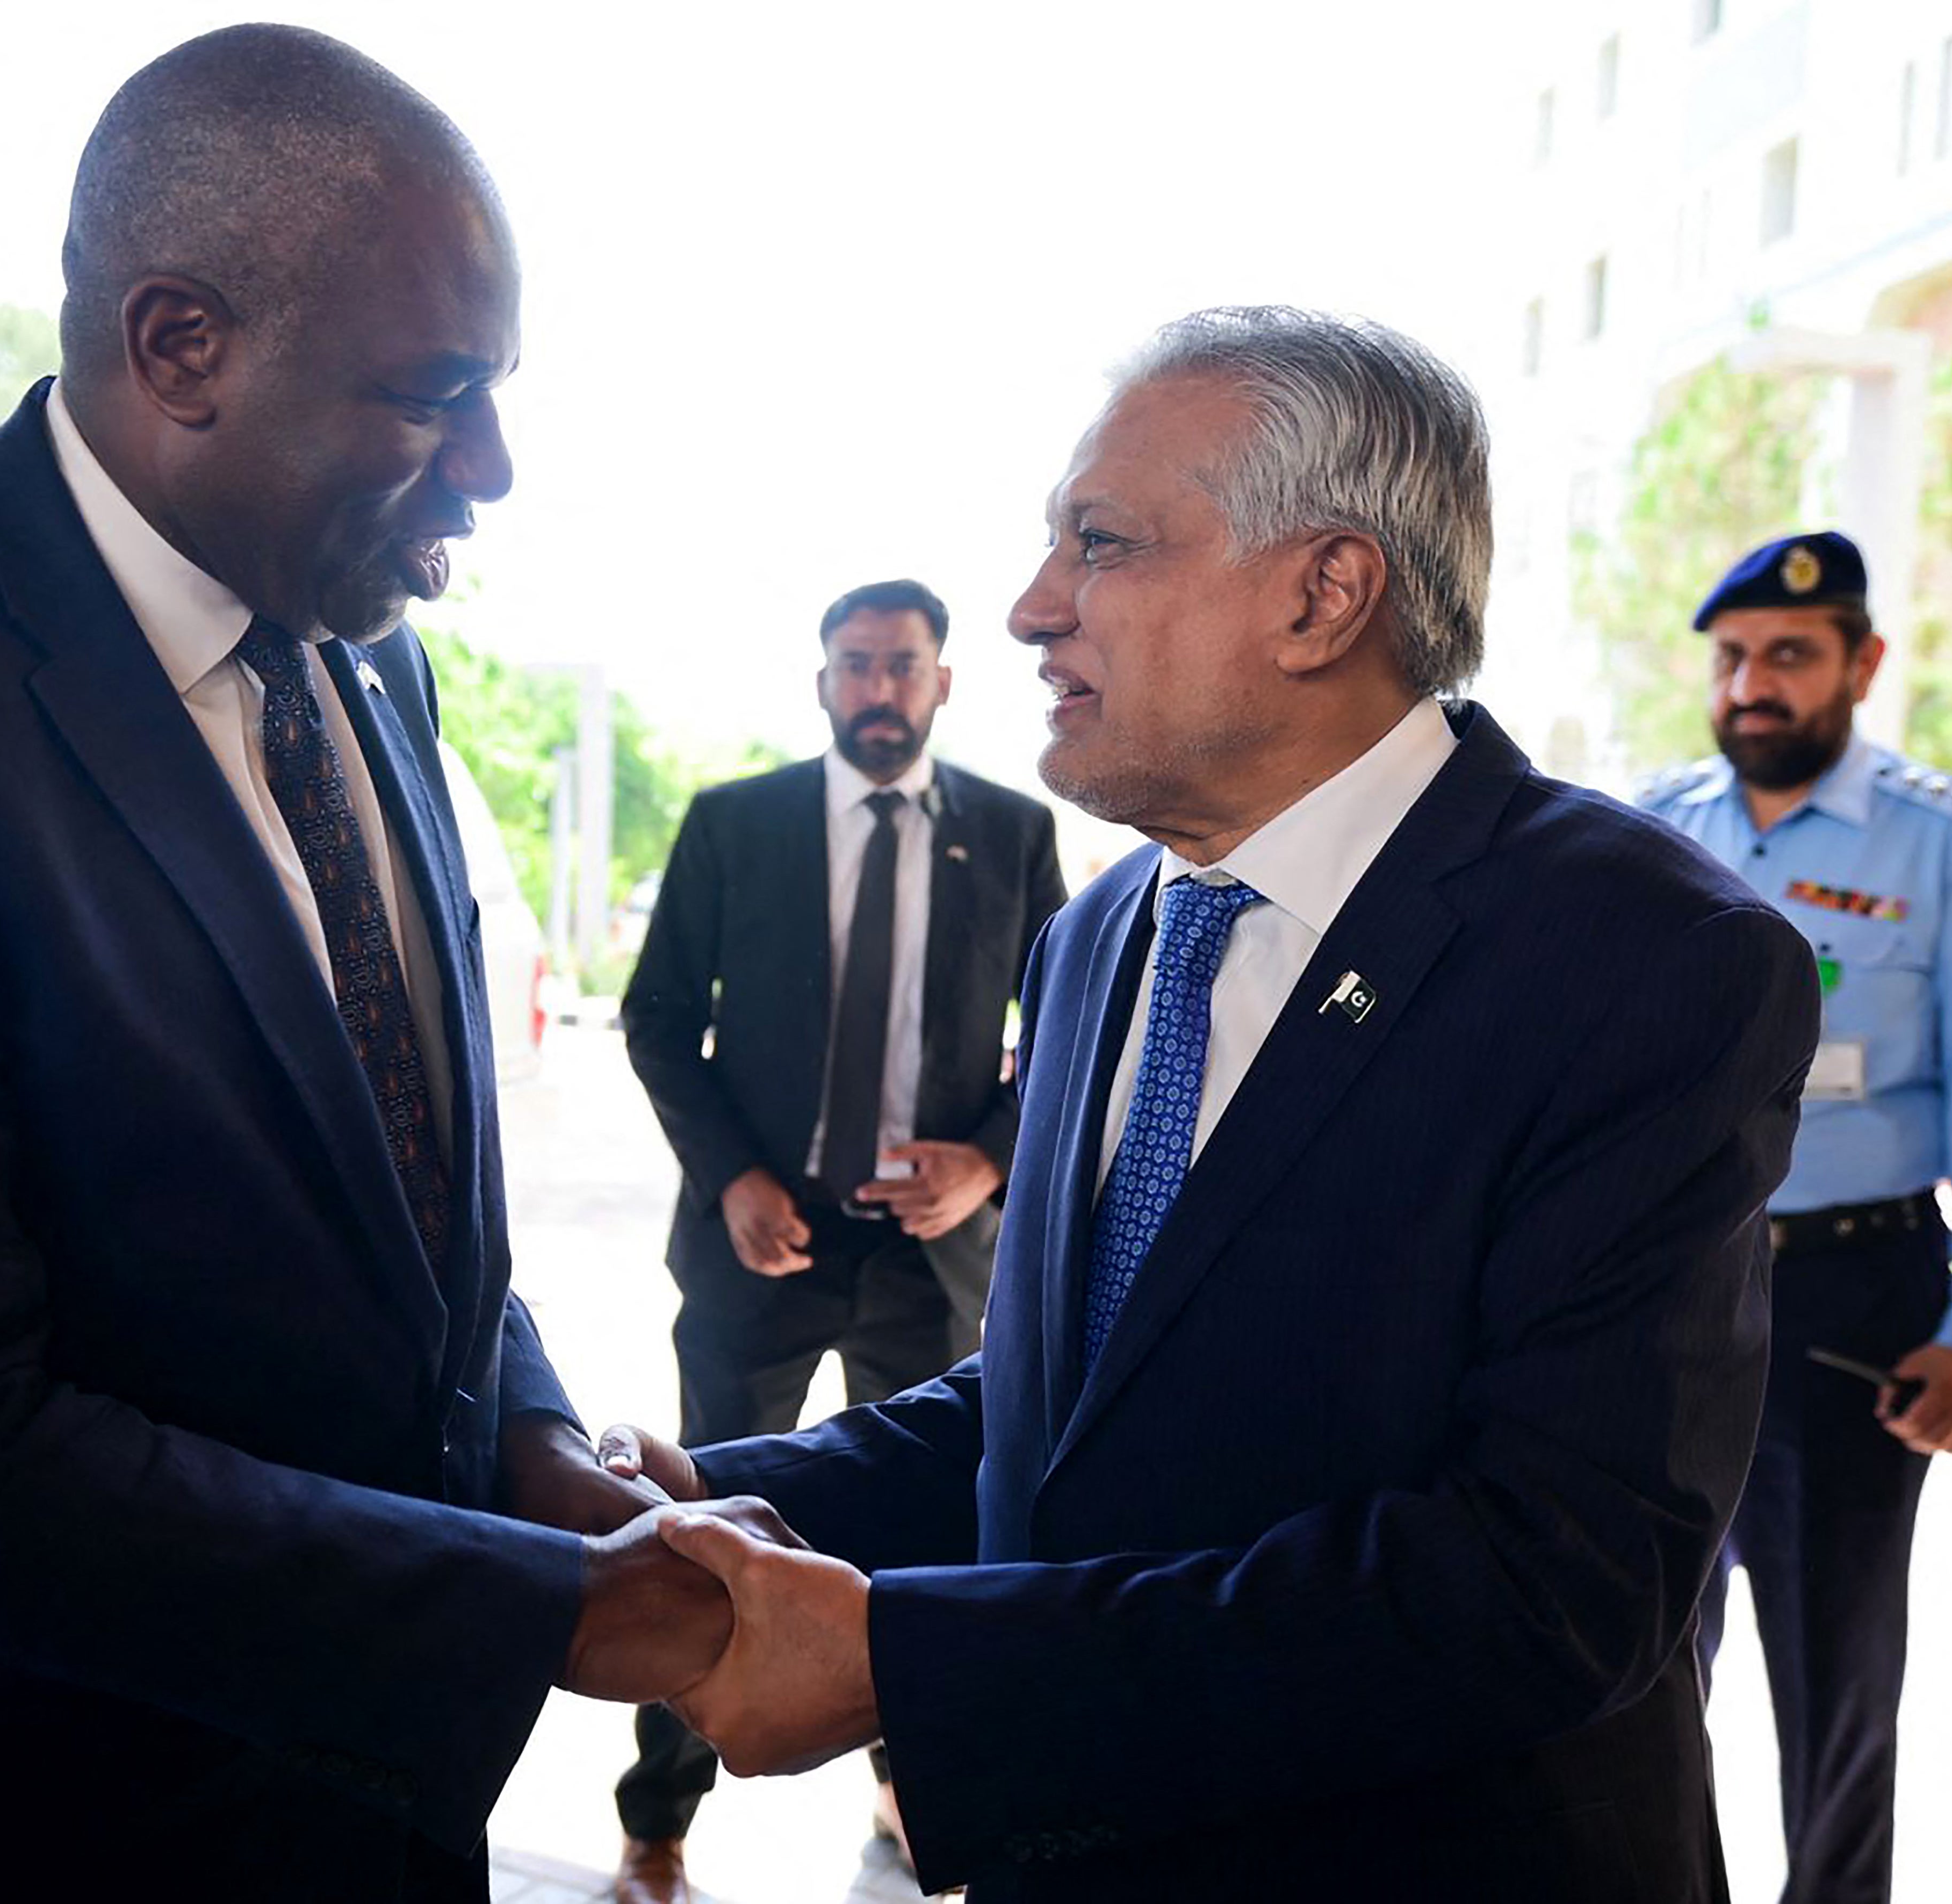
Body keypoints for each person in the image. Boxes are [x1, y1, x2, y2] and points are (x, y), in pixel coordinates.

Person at [0, 28, 748, 1902]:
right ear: (178, 347)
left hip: (348, 1801)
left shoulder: (370, 654)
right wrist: (550, 1607)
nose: (494, 466)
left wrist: (535, 1440)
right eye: (429, 394)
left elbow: (400, 1198)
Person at [600, 306, 1823, 1902]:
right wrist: (728, 1495)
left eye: (1098, 545)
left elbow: (1551, 1583)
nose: (1035, 612)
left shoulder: (1651, 961)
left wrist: (916, 1665)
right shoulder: (1110, 928)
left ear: (1324, 594)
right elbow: (1074, 1390)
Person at [611, 578, 1067, 1899]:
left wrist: (986, 1158)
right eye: (856, 665)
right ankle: (656, 1819)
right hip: (765, 1244)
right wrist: (735, 1175)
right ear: (823, 682)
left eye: (903, 665)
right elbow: (654, 1020)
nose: (879, 688)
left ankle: (909, 1788)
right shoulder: (733, 824)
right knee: (694, 1530)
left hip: (931, 1255)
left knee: (927, 1541)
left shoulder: (1015, 828)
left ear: (941, 681)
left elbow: (1058, 1037)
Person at [1640, 529, 1952, 1904]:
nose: (1753, 685)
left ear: (1862, 663)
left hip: (1851, 1306)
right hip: (1671, 1302)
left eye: (1790, 657)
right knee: (1638, 1667)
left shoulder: (1950, 841)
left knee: (1837, 1690)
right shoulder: (1655, 832)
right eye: (1734, 657)